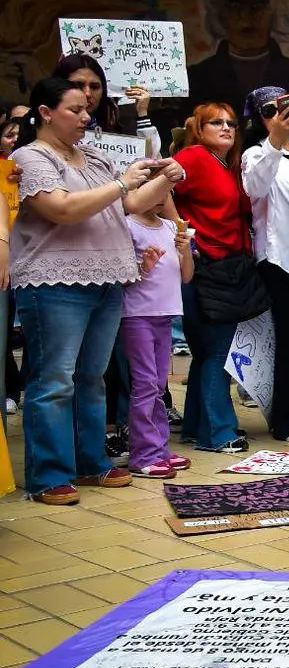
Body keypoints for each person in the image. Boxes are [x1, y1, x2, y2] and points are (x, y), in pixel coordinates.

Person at [11, 77, 179, 504]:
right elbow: (62, 209)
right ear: (45, 113)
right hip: (55, 282)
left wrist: (165, 179)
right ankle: (49, 476)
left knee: (91, 380)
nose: (86, 117)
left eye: (87, 110)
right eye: (74, 109)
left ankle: (91, 464)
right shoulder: (30, 157)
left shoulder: (94, 158)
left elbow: (132, 205)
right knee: (54, 381)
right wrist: (124, 183)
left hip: (108, 280)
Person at [169, 102, 254, 454]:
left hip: (227, 267)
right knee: (217, 352)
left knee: (208, 352)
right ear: (199, 128)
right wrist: (180, 229)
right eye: (216, 122)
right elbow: (159, 182)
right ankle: (219, 432)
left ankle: (196, 429)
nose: (226, 128)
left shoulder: (228, 164)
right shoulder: (194, 156)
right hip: (204, 267)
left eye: (231, 123)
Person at [240, 86, 289, 443]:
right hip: (277, 257)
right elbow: (255, 188)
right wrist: (275, 139)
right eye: (269, 110)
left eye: (283, 107)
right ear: (259, 118)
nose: (279, 114)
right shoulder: (255, 153)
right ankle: (288, 419)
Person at [186, 0, 289, 130]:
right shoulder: (195, 79)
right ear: (219, 13)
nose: (245, 14)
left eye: (257, 4)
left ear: (275, 12)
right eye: (234, 4)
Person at [121, 185, 193, 479]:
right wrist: (143, 267)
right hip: (137, 315)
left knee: (158, 384)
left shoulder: (169, 227)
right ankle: (142, 454)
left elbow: (187, 275)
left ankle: (159, 448)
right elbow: (122, 278)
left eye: (167, 192)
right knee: (145, 383)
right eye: (156, 190)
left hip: (165, 315)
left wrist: (184, 250)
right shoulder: (128, 226)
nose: (163, 197)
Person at [52, 53, 160, 158]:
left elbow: (155, 163)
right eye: (77, 85)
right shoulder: (43, 133)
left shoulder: (117, 130)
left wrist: (142, 114)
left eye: (94, 87)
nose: (87, 93)